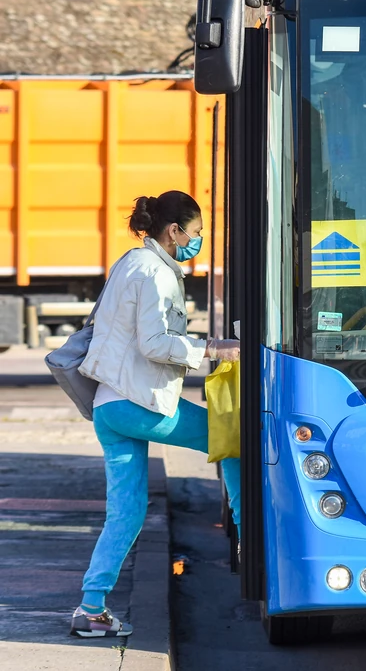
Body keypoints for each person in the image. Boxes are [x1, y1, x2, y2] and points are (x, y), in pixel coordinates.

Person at [69, 191, 241, 638]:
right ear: (174, 231)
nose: (196, 241)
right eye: (197, 233)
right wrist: (212, 348)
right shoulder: (156, 273)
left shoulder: (130, 262)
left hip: (109, 405)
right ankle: (250, 541)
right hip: (137, 403)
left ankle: (91, 609)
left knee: (126, 512)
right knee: (229, 436)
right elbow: (153, 343)